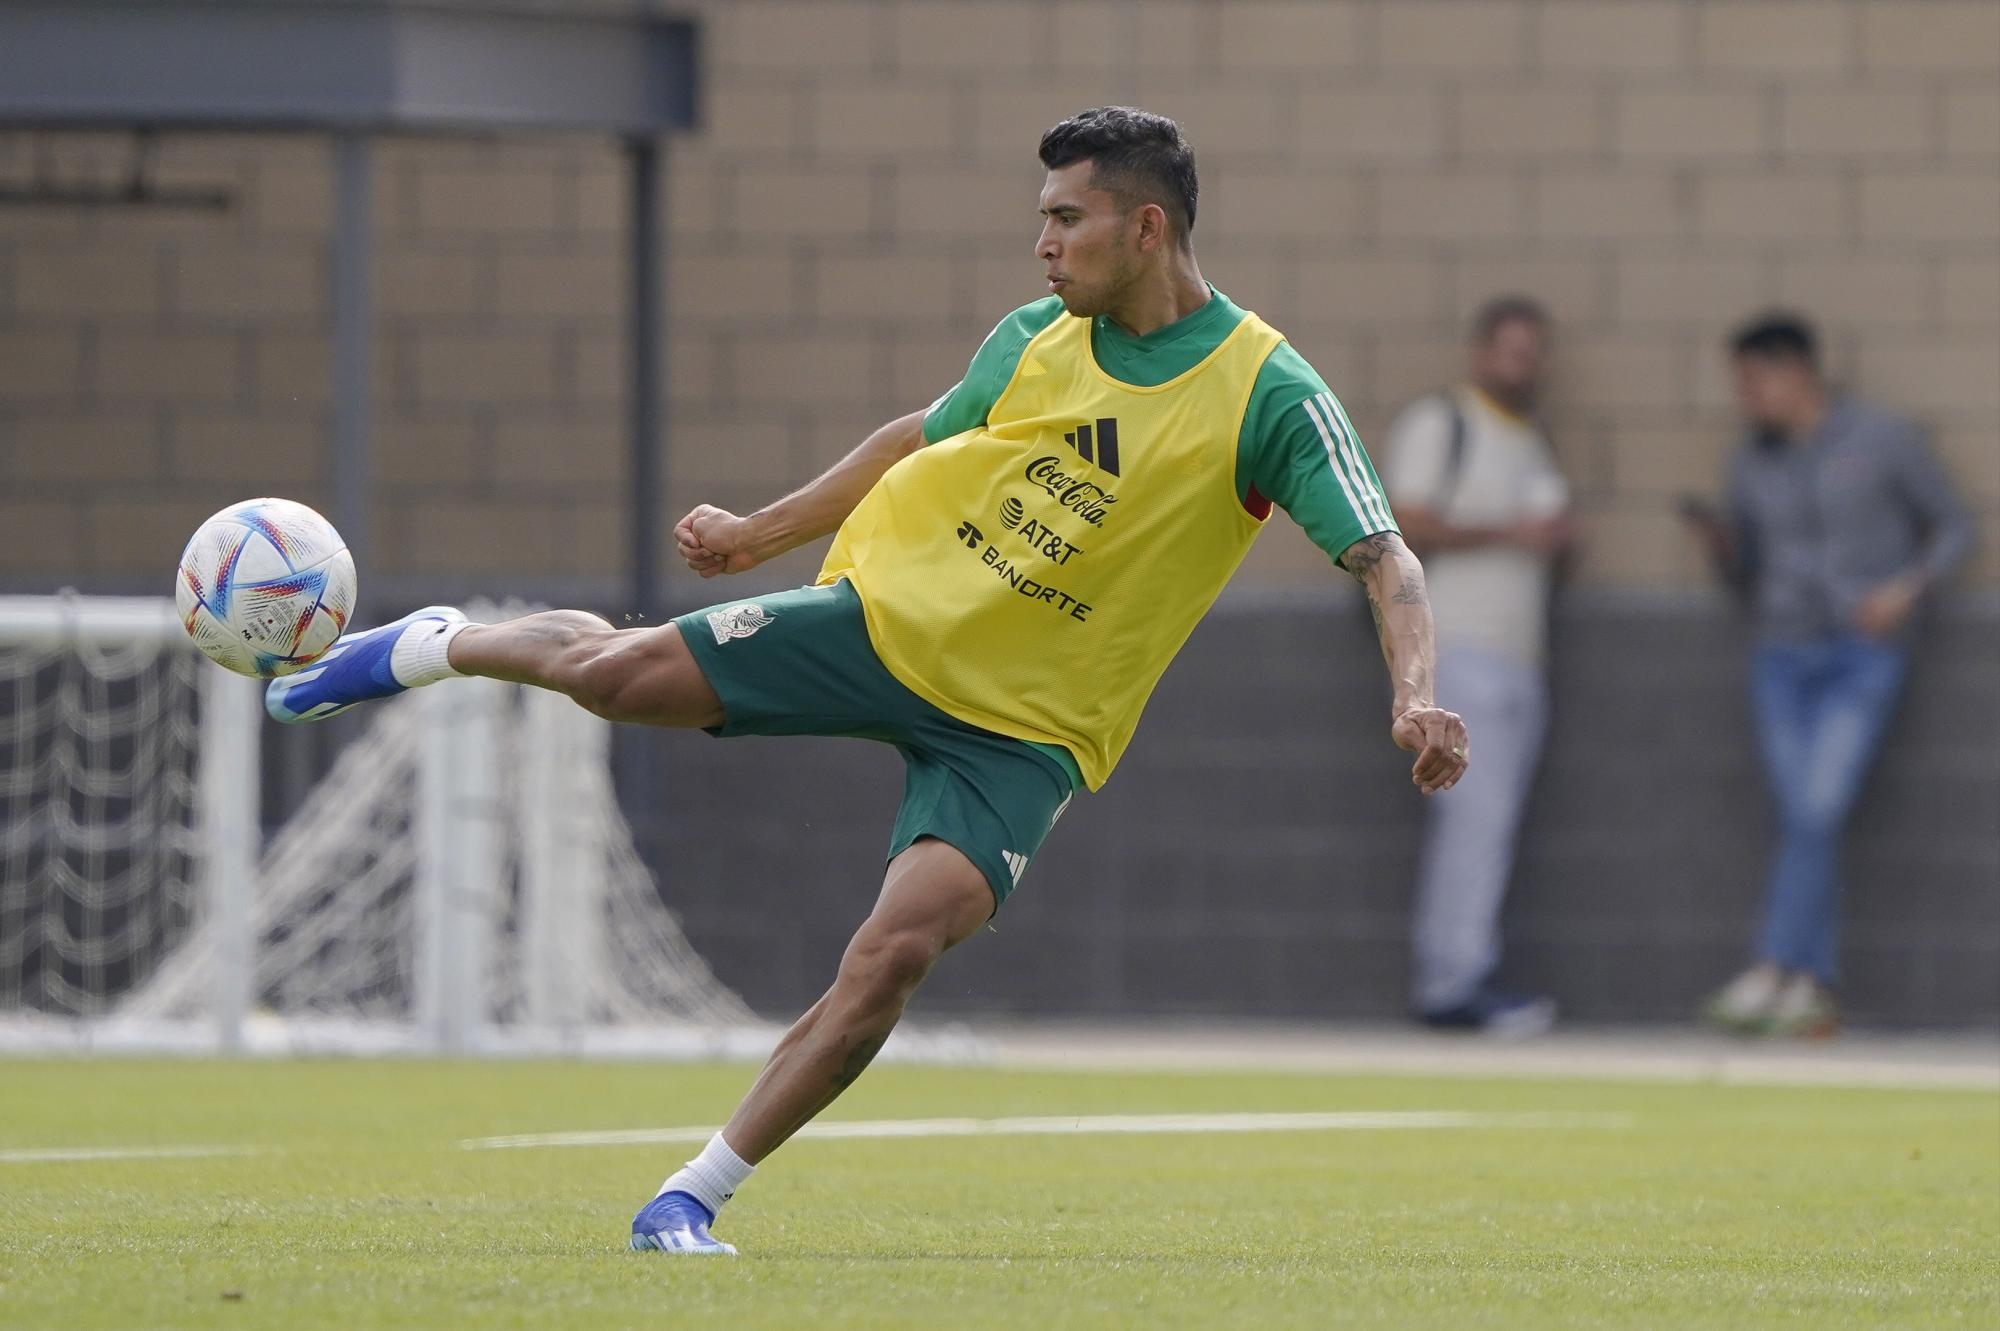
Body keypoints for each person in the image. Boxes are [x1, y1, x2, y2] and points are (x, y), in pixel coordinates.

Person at [265, 107, 1468, 1254]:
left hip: (1022, 738)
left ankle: (688, 1198)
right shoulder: (1031, 335)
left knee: (892, 954)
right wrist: (754, 536)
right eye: (1040, 218)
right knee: (615, 676)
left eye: (1066, 219)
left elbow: (1382, 552)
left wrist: (1412, 693)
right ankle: (436, 641)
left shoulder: (1267, 394)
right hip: (888, 621)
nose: (1042, 243)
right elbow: (919, 434)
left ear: (1145, 229)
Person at [1682, 312, 1972, 1038]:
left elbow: (1956, 526)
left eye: (1753, 381)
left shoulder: (1882, 438)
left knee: (1815, 805)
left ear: (1796, 372)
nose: (1746, 398)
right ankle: (1810, 986)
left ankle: (1774, 968)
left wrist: (1905, 590)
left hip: (1861, 655)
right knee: (1807, 816)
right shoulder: (1749, 462)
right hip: (1780, 654)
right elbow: (1746, 571)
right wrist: (1721, 547)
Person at [1377, 296, 1571, 1036]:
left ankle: (1464, 972)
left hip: (1520, 656)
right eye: (1509, 350)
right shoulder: (1443, 422)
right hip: (1456, 651)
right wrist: (1513, 532)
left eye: (1532, 352)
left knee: (1491, 825)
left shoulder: (1530, 439)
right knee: (1474, 822)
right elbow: (1403, 524)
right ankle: (1452, 985)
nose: (1520, 366)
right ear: (1480, 351)